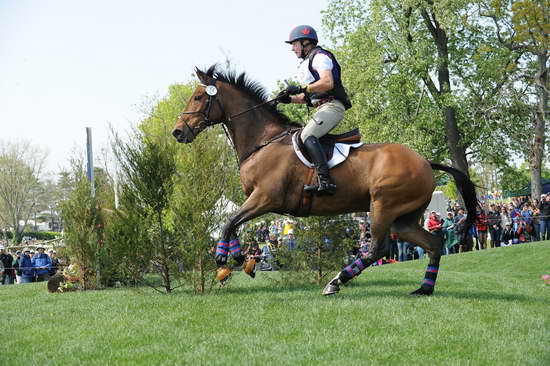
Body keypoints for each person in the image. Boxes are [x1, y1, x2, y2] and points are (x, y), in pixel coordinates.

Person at [278, 25, 352, 195]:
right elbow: (306, 97)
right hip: (321, 106)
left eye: (294, 44)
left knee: (307, 136)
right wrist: (288, 99)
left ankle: (326, 181)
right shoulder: (307, 63)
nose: (292, 48)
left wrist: (303, 87)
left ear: (305, 42)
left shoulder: (320, 56)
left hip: (332, 106)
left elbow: (327, 83)